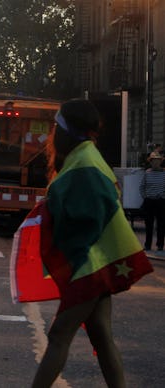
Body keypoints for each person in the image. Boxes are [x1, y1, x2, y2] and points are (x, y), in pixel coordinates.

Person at [31, 99, 154, 388]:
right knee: (101, 335)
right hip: (99, 260)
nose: (52, 134)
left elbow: (88, 219)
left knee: (60, 334)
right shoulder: (86, 157)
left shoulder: (83, 164)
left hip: (91, 263)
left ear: (66, 130)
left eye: (56, 127)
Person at [139, 152, 165, 251]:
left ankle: (160, 245)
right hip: (149, 201)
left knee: (161, 225)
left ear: (160, 162)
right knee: (148, 225)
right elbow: (142, 187)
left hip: (161, 201)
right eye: (153, 161)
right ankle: (148, 245)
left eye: (157, 161)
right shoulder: (147, 173)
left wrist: (163, 196)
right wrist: (145, 196)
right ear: (151, 162)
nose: (155, 163)